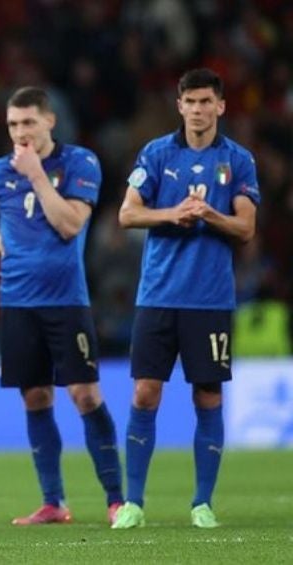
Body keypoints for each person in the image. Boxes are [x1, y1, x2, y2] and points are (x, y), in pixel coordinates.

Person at [0, 86, 124, 526]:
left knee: (85, 395)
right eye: (13, 124)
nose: (20, 132)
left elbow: (69, 226)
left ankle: (118, 499)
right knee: (35, 396)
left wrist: (37, 176)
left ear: (50, 121)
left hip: (66, 301)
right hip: (17, 302)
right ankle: (53, 502)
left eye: (28, 122)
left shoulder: (80, 163)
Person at [111, 68, 259, 529]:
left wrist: (210, 213)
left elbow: (247, 227)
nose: (197, 110)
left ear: (220, 106)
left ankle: (202, 504)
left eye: (205, 102)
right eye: (190, 102)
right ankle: (133, 503)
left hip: (211, 300)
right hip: (158, 295)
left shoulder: (238, 161)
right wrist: (173, 213)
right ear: (179, 106)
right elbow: (127, 214)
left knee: (208, 395)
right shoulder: (157, 154)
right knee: (145, 391)